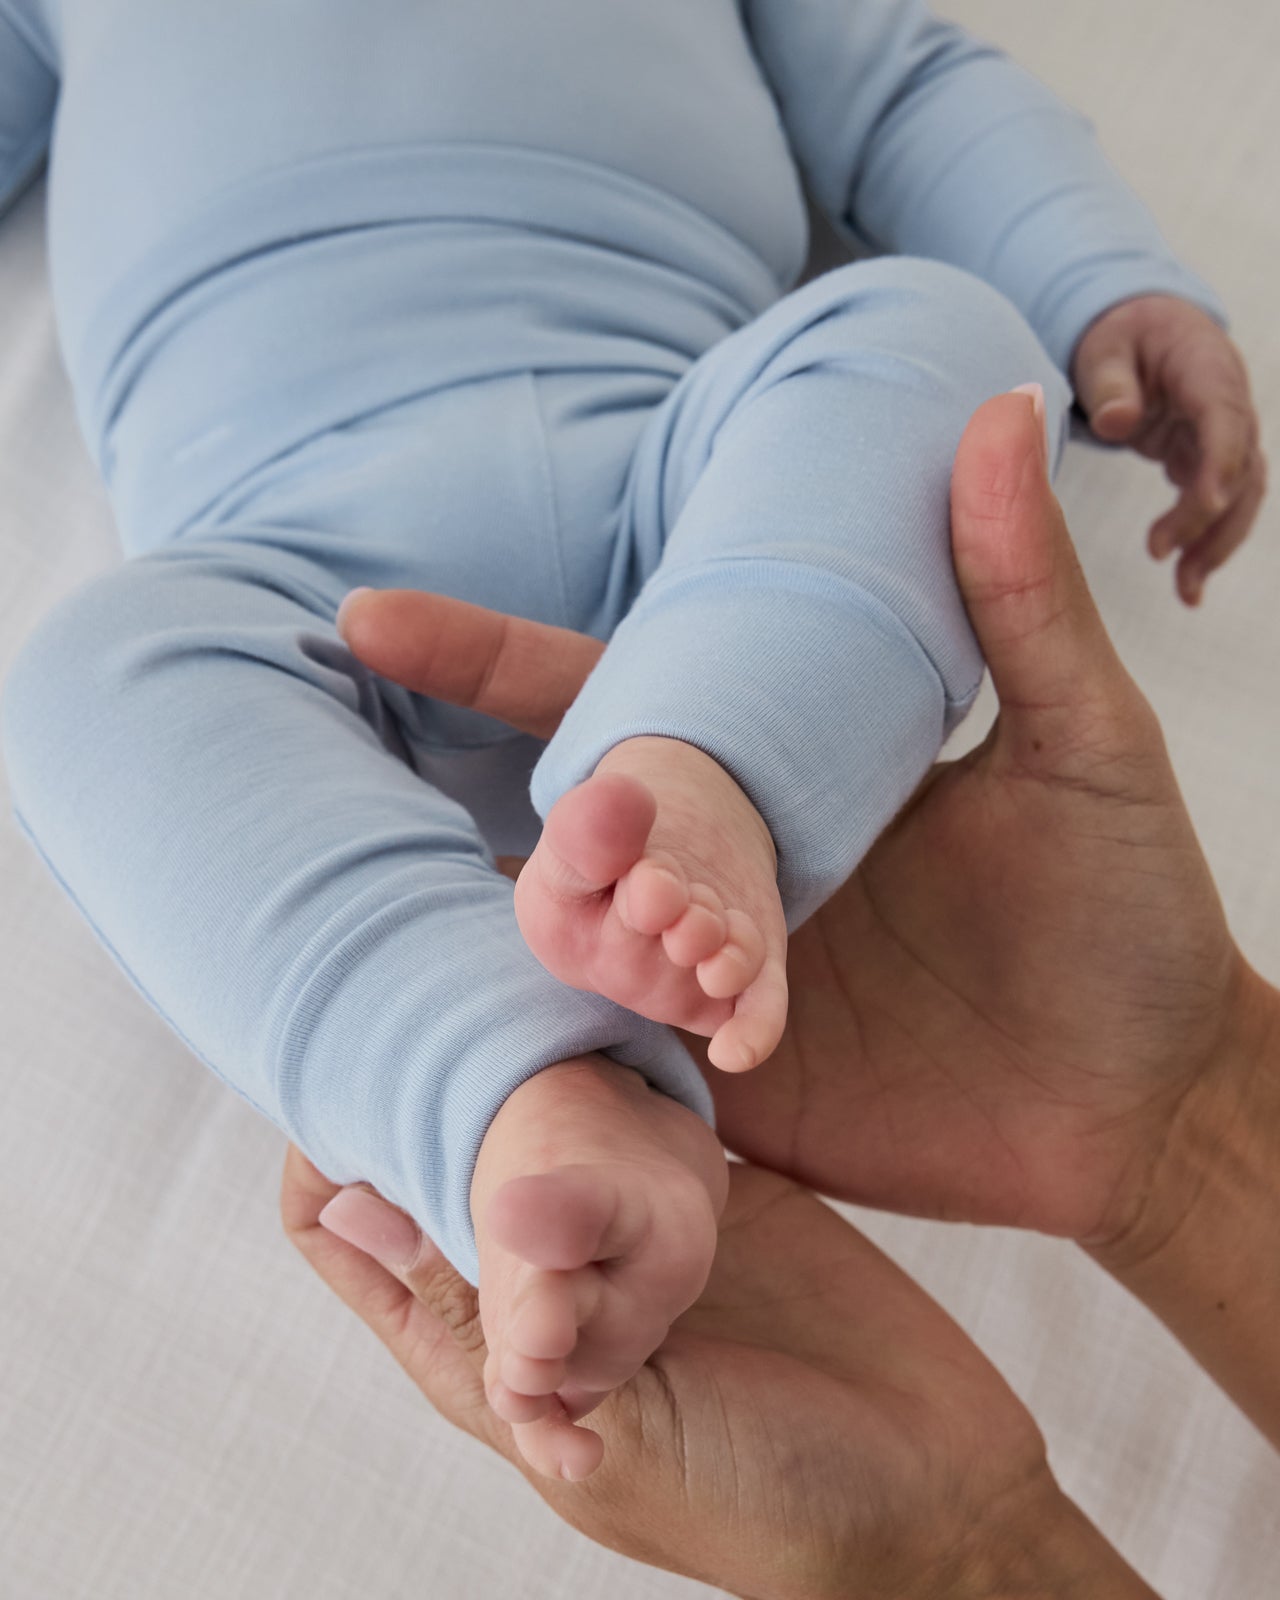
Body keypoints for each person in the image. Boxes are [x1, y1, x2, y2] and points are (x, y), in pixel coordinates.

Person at [0, 1, 1264, 1478]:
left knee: (950, 334)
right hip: (294, 587)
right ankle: (511, 1082)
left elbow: (905, 87)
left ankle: (707, 770)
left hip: (696, 501)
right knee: (90, 675)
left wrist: (1095, 276)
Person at [292, 393, 1279, 1596]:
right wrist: (1181, 1111)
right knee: (103, 671)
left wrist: (957, 1564)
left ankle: (522, 1078)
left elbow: (912, 301)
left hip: (648, 430)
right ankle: (519, 1084)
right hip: (275, 563)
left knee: (910, 362)